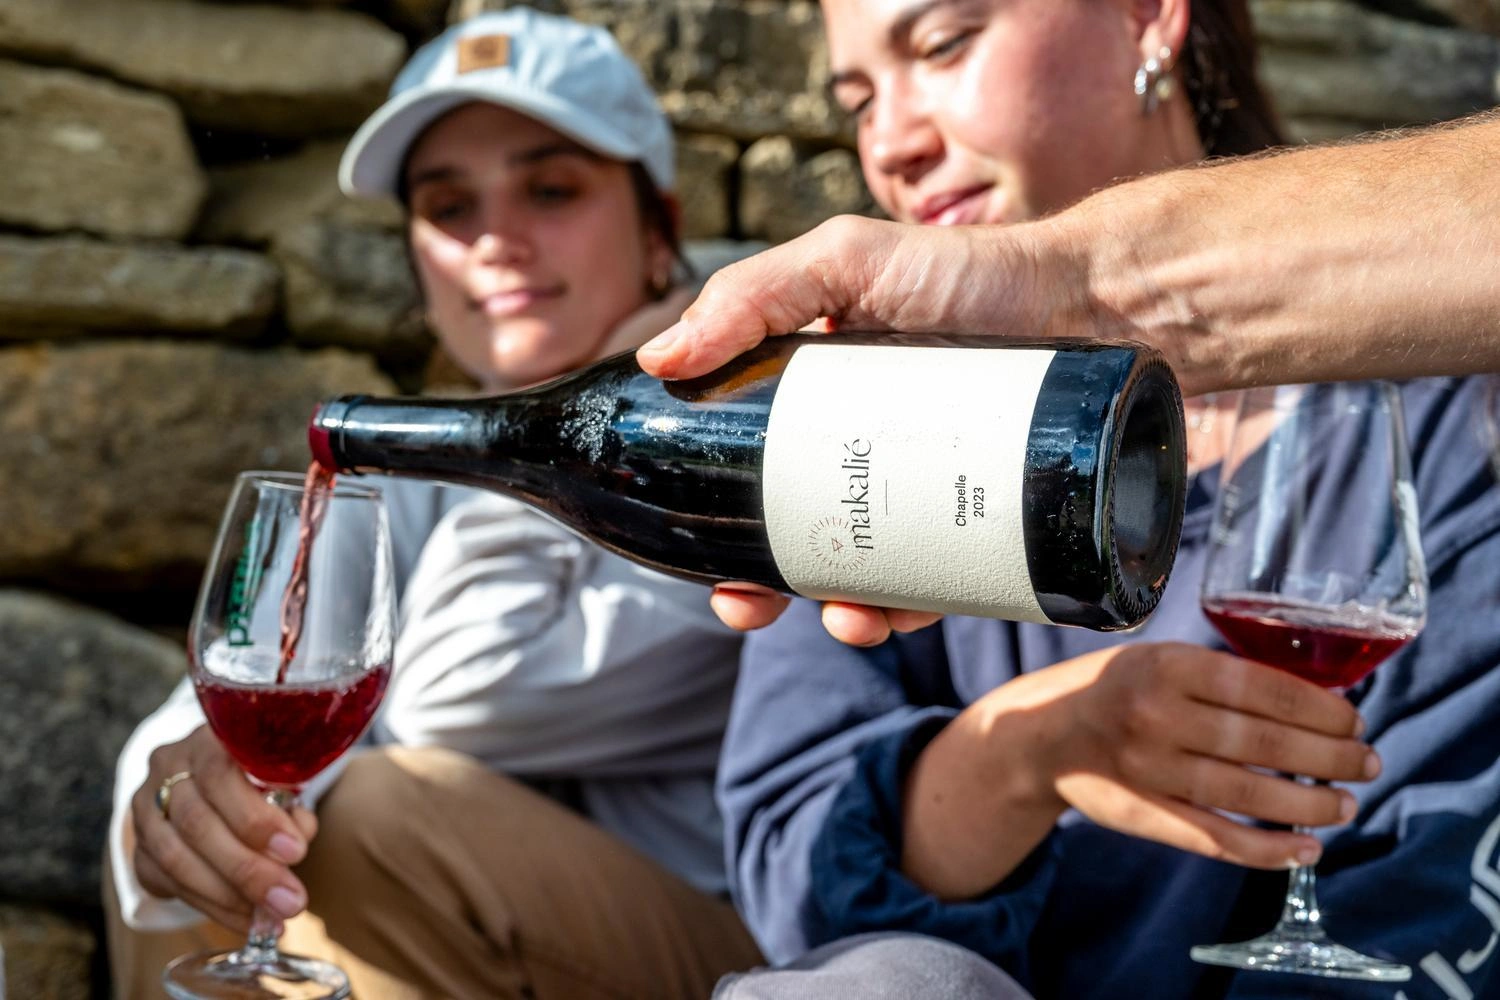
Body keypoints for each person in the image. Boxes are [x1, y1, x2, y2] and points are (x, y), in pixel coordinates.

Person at [693, 0, 1500, 996]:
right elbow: (790, 877)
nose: (890, 142)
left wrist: (1094, 284)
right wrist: (1035, 749)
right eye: (856, 99)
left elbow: (1428, 906)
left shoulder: (1434, 436)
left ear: (1146, 16)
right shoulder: (868, 443)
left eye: (944, 44)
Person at [104, 9, 762, 998]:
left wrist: (549, 425)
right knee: (200, 853)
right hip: (463, 937)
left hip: (713, 946)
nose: (495, 240)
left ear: (659, 223)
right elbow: (241, 683)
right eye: (449, 208)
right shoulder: (398, 455)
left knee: (373, 815)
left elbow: (458, 700)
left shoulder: (743, 430)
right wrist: (170, 800)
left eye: (550, 190)